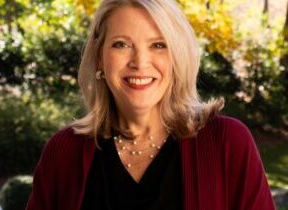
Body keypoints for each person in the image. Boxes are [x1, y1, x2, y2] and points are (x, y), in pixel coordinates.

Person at [26, 0, 275, 209]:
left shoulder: (227, 142)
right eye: (121, 44)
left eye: (158, 45)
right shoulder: (63, 152)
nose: (140, 62)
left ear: (178, 56)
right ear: (99, 57)